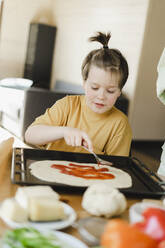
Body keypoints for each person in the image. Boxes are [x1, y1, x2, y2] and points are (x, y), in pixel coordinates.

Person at [25, 31, 132, 156]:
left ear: (119, 91)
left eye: (110, 91)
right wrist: (63, 131)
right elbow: (29, 135)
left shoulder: (120, 124)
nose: (101, 96)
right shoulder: (67, 105)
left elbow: (118, 167)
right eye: (94, 87)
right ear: (84, 83)